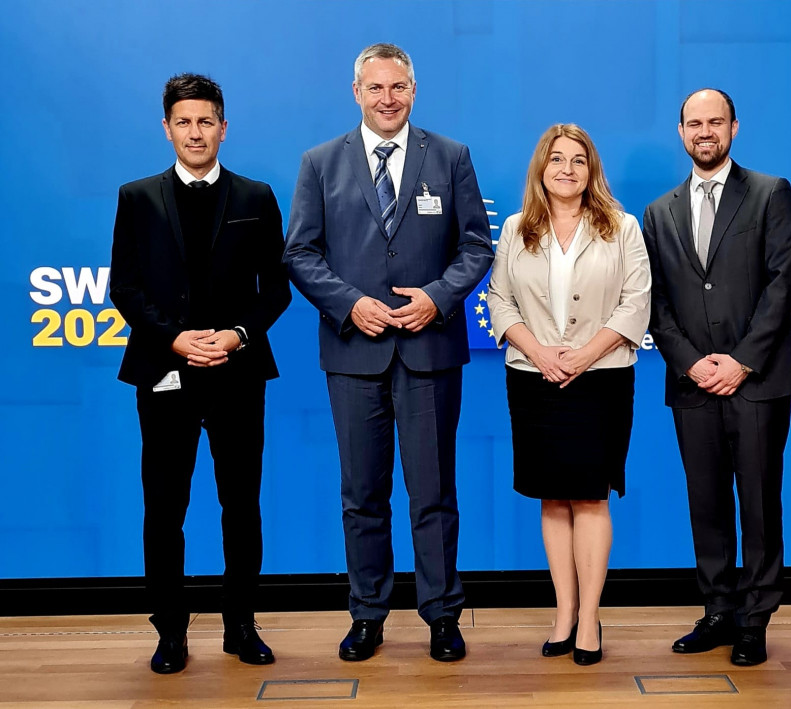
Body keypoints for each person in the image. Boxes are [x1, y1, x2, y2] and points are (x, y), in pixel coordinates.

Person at [283, 43, 493, 663]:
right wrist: (350, 303)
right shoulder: (320, 163)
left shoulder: (450, 157)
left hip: (429, 351)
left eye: (397, 86)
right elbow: (300, 253)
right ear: (356, 92)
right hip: (354, 355)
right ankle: (368, 614)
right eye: (375, 88)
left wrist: (436, 296)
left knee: (433, 493)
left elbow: (477, 247)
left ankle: (442, 616)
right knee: (362, 496)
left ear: (414, 89)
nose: (387, 98)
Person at [109, 73, 291, 674]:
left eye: (205, 121)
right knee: (164, 506)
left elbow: (276, 292)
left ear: (224, 127)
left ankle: (240, 623)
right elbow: (125, 288)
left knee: (241, 504)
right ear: (167, 129)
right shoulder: (136, 197)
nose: (195, 132)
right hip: (165, 371)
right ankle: (170, 630)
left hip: (238, 373)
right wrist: (175, 337)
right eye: (183, 122)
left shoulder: (256, 197)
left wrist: (236, 335)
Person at [642, 89, 791, 666]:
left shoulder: (769, 193)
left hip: (758, 379)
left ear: (734, 126)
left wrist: (740, 360)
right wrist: (690, 362)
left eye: (715, 121)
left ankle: (755, 620)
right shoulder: (659, 212)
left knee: (760, 501)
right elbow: (655, 302)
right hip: (692, 384)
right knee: (705, 501)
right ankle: (718, 610)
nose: (705, 131)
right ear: (680, 132)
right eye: (694, 123)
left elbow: (782, 285)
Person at [487, 124, 651, 666]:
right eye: (556, 159)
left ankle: (589, 618)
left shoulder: (622, 227)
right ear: (541, 168)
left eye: (577, 160)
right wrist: (539, 352)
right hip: (533, 378)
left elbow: (636, 304)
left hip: (600, 377)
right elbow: (499, 300)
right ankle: (563, 612)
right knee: (552, 496)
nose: (566, 169)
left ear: (591, 170)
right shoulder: (516, 228)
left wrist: (582, 355)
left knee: (591, 496)